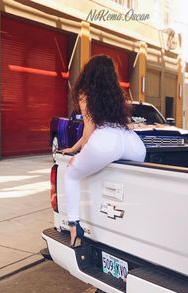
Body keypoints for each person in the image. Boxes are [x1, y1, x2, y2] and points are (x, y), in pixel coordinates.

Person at [62, 55, 146, 247]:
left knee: (71, 174)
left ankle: (74, 225)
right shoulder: (115, 93)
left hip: (105, 141)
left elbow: (90, 127)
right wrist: (75, 147)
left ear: (89, 71)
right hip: (131, 142)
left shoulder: (85, 92)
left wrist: (80, 155)